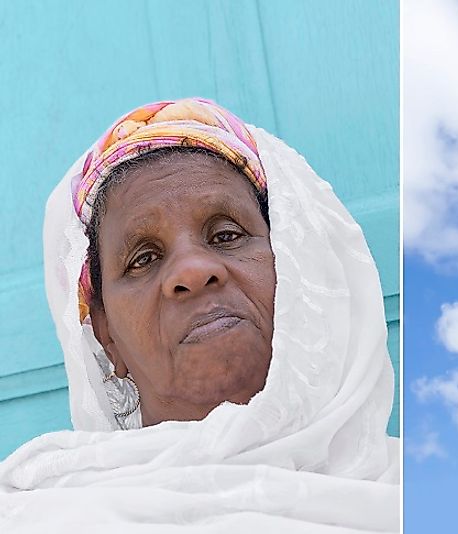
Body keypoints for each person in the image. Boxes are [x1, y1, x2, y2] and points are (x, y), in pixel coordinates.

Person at [0, 98, 399, 533]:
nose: (192, 271)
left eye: (227, 234)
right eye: (144, 258)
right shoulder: (35, 518)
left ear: (300, 267)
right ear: (105, 334)